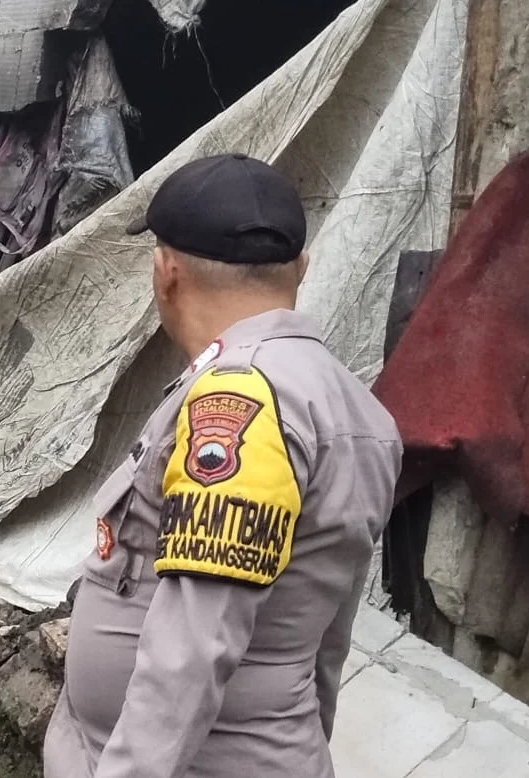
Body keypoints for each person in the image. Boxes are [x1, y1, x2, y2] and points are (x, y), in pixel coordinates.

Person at [42, 154, 403, 778]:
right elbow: (328, 635)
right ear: (302, 270)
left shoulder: (239, 403)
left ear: (166, 272)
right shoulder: (354, 407)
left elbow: (192, 645)